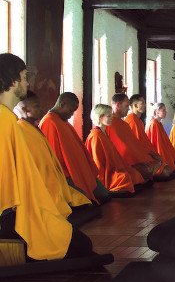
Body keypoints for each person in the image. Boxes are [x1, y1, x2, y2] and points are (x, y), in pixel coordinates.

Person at [0, 53, 93, 261]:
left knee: (77, 240)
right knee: (80, 245)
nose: (27, 82)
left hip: (23, 205)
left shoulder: (9, 118)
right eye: (24, 77)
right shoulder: (5, 120)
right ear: (13, 81)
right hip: (13, 213)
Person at [14, 92, 91, 217]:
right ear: (24, 109)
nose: (41, 109)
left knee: (84, 200)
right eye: (36, 106)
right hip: (40, 182)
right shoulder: (22, 130)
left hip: (53, 177)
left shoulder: (33, 128)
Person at [39, 92, 110, 204]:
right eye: (71, 110)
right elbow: (52, 155)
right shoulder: (49, 122)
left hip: (79, 170)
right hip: (66, 174)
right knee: (88, 201)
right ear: (62, 104)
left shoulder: (63, 121)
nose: (72, 114)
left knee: (104, 195)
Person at [105, 94, 173, 181]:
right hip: (127, 162)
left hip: (138, 157)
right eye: (126, 106)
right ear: (117, 105)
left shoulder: (125, 123)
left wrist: (150, 157)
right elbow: (123, 149)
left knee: (166, 169)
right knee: (164, 171)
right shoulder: (121, 122)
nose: (128, 108)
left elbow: (136, 144)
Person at [86, 104, 146, 195]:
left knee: (135, 174)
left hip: (113, 168)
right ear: (100, 117)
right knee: (124, 178)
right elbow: (97, 161)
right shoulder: (96, 136)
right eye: (109, 116)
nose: (111, 118)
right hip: (105, 173)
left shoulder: (103, 133)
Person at [125, 94, 175, 177]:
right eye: (143, 103)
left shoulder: (139, 121)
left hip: (146, 154)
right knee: (166, 172)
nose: (145, 105)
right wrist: (152, 156)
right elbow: (136, 144)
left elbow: (145, 142)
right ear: (135, 105)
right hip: (138, 158)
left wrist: (154, 155)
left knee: (168, 169)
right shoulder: (132, 120)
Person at [146, 103, 175, 173]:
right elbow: (157, 144)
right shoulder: (154, 124)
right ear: (156, 112)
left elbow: (165, 142)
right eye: (163, 110)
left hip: (163, 150)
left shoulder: (158, 123)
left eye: (165, 110)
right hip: (158, 153)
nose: (166, 112)